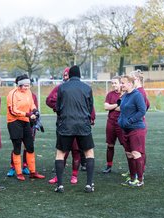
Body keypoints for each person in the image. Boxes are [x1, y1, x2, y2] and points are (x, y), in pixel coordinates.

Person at [53, 65, 96, 193]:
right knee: (89, 153)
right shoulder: (87, 88)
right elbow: (90, 107)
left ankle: (60, 185)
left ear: (69, 75)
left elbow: (58, 107)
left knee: (60, 153)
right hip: (83, 125)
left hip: (66, 124)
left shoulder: (62, 88)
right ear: (80, 75)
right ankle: (89, 184)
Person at [46, 67, 85, 185]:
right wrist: (59, 108)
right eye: (65, 75)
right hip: (63, 123)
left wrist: (90, 118)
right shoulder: (60, 88)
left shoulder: (82, 88)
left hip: (78, 124)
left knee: (76, 150)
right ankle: (58, 176)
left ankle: (74, 175)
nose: (66, 77)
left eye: (68, 75)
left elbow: (88, 103)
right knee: (62, 151)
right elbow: (49, 100)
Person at [6, 74, 45, 181]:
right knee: (17, 147)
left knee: (30, 146)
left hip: (25, 122)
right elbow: (12, 111)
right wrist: (28, 115)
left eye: (28, 85)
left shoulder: (28, 92)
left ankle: (33, 172)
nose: (27, 88)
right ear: (19, 85)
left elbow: (31, 104)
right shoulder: (12, 94)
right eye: (25, 86)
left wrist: (35, 110)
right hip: (14, 122)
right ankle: (19, 173)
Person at [118, 75, 147, 187]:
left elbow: (142, 111)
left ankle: (140, 180)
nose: (121, 85)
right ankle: (132, 178)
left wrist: (130, 121)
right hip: (125, 130)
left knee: (136, 153)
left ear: (130, 83)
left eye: (123, 83)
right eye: (121, 83)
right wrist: (120, 120)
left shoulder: (137, 95)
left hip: (136, 129)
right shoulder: (125, 95)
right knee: (129, 154)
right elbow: (122, 110)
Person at [102, 76, 124, 174]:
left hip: (122, 123)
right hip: (111, 122)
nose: (113, 85)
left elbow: (123, 108)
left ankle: (132, 168)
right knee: (110, 145)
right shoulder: (110, 94)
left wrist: (112, 106)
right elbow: (106, 107)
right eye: (112, 83)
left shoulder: (125, 94)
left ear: (120, 83)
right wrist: (116, 105)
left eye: (115, 83)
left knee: (126, 146)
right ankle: (109, 166)